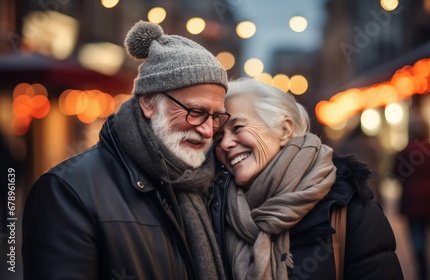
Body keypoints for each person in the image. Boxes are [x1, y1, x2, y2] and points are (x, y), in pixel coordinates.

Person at [22, 20, 229, 280]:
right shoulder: (67, 191)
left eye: (216, 116)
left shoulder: (214, 186)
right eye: (196, 112)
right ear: (148, 102)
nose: (208, 130)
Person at [210, 78, 403, 280]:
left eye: (237, 127)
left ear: (284, 130)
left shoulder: (351, 213)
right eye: (218, 137)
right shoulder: (218, 214)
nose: (225, 144)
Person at [391, 116, 430, 280]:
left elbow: (396, 174)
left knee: (415, 232)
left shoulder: (405, 150)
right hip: (428, 197)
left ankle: (420, 262)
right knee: (423, 231)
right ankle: (423, 263)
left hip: (410, 198)